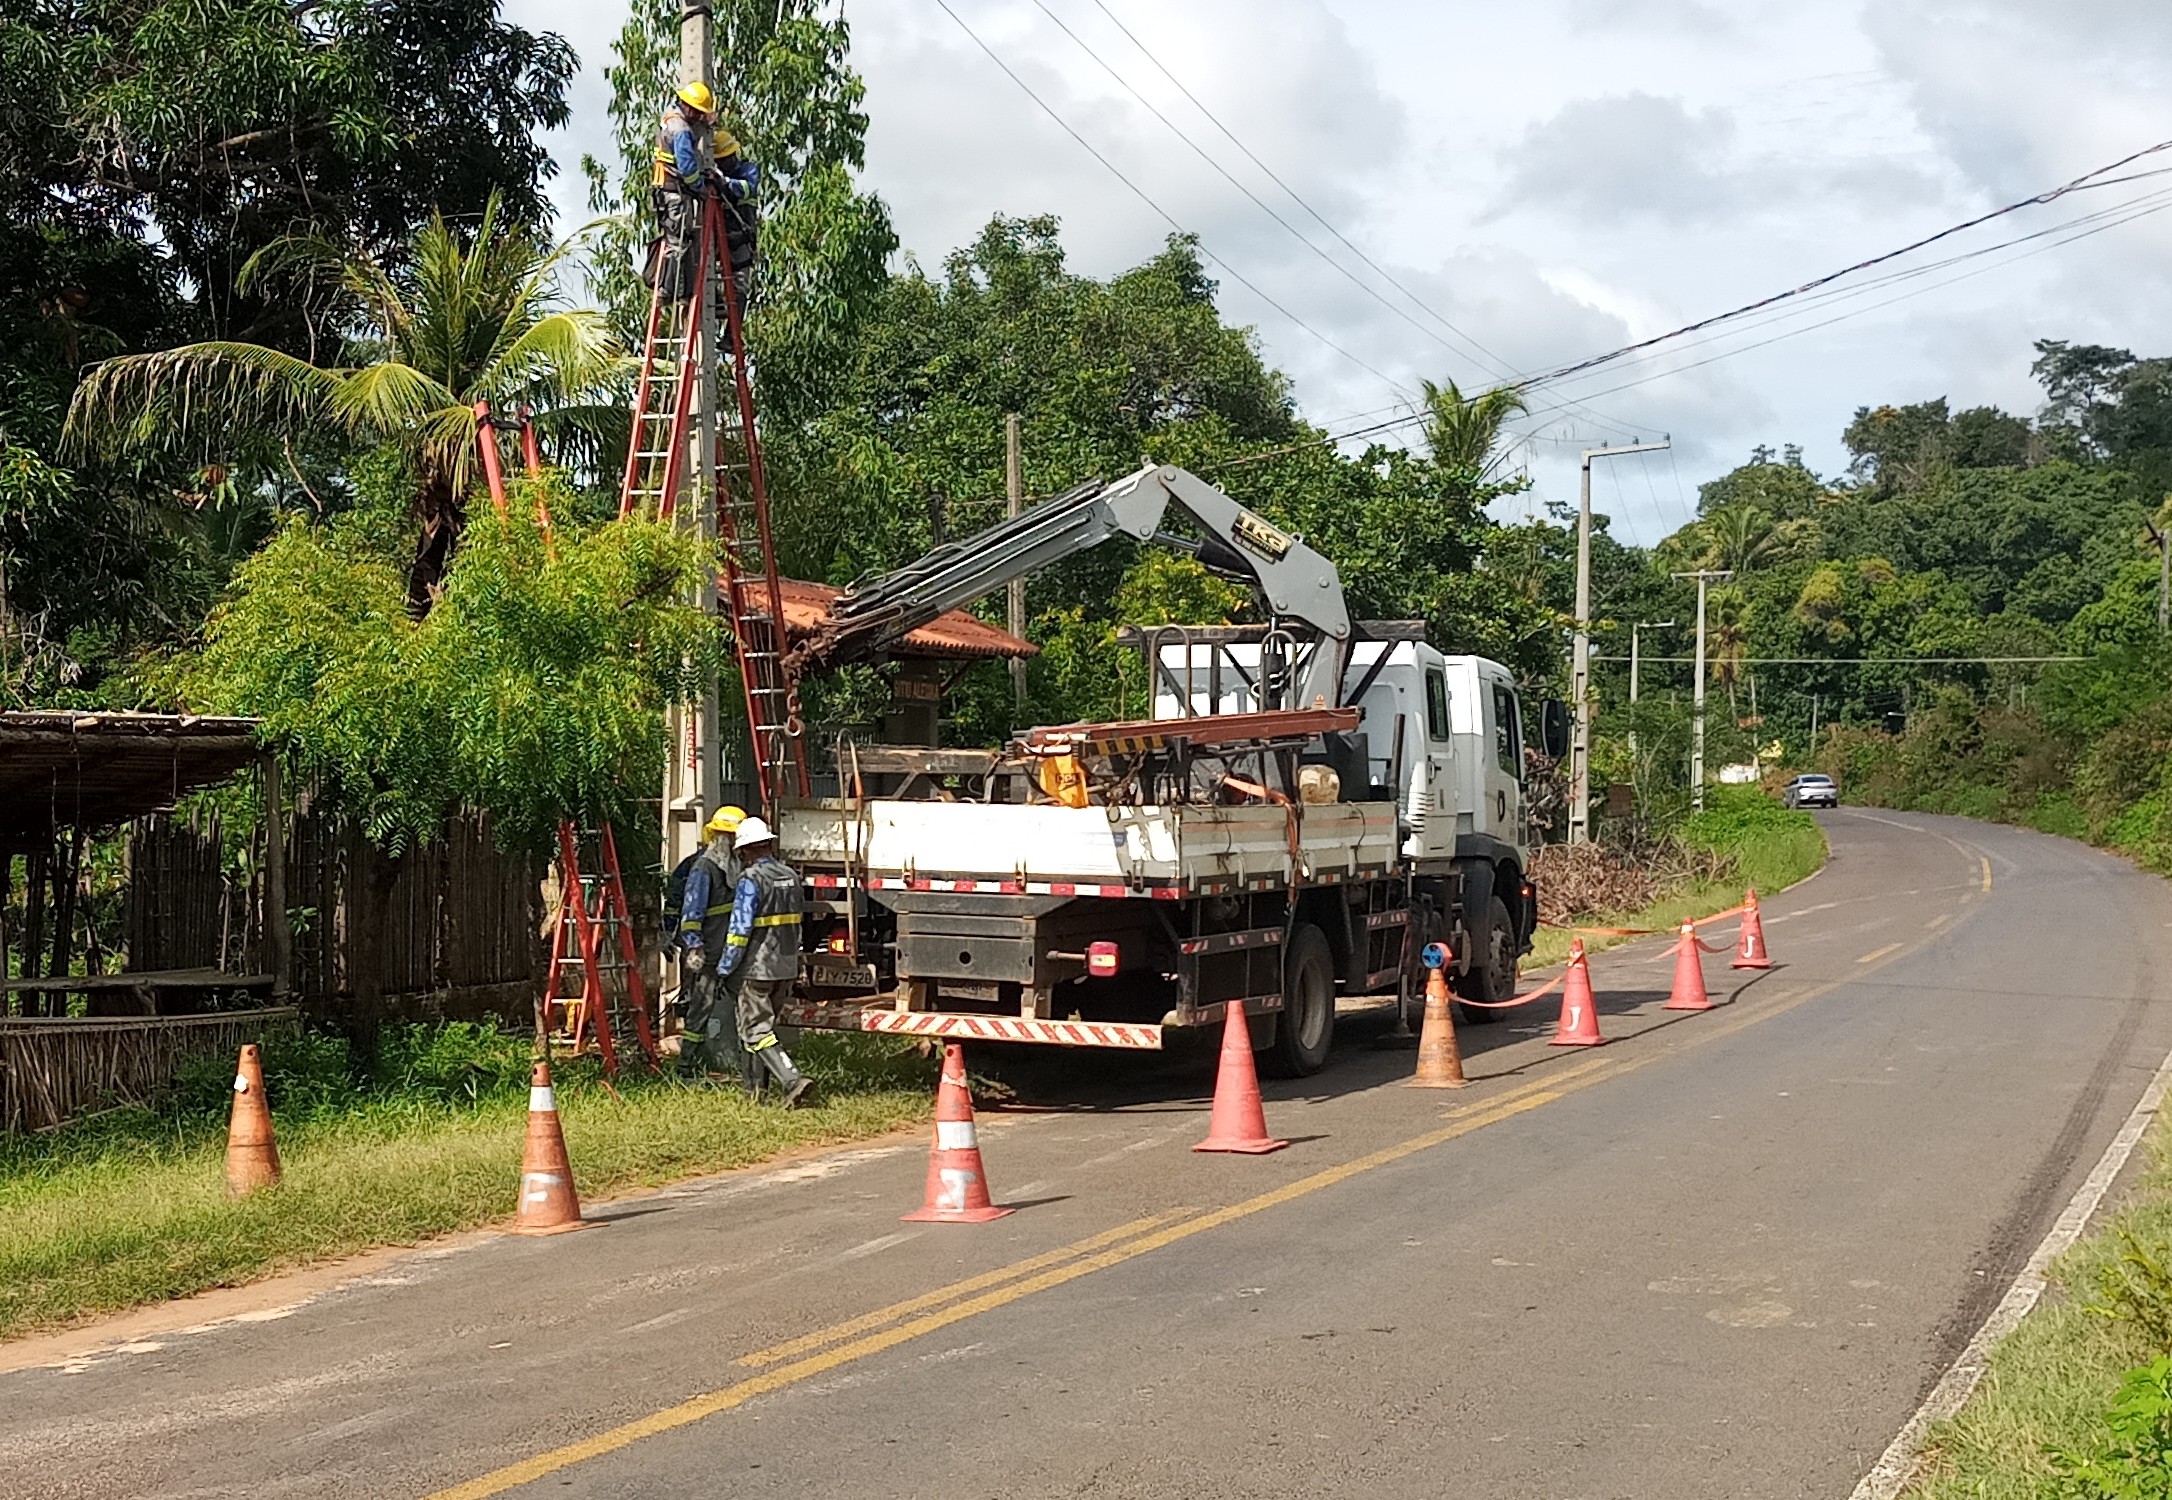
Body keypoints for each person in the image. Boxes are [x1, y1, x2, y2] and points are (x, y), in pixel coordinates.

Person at [713, 815, 813, 1108]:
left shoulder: (751, 879)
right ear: (769, 844)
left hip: (757, 968)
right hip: (786, 966)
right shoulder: (792, 877)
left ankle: (793, 1079)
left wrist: (724, 968)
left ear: (745, 850)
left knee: (756, 1030)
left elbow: (739, 930)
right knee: (759, 1032)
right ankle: (755, 1094)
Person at [648, 79, 760, 306]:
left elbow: (748, 188)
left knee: (736, 284)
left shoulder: (671, 119)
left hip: (737, 239)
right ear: (688, 107)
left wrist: (723, 182)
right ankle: (670, 290)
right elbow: (688, 168)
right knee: (679, 243)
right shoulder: (681, 131)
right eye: (698, 112)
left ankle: (686, 294)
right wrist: (700, 188)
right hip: (675, 194)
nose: (699, 117)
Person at [677, 805, 752, 1085]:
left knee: (745, 1009)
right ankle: (686, 1067)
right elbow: (691, 913)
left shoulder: (738, 867)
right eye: (733, 838)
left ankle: (749, 1070)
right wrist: (694, 947)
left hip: (734, 954)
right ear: (721, 837)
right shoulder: (704, 868)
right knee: (700, 1009)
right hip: (709, 954)